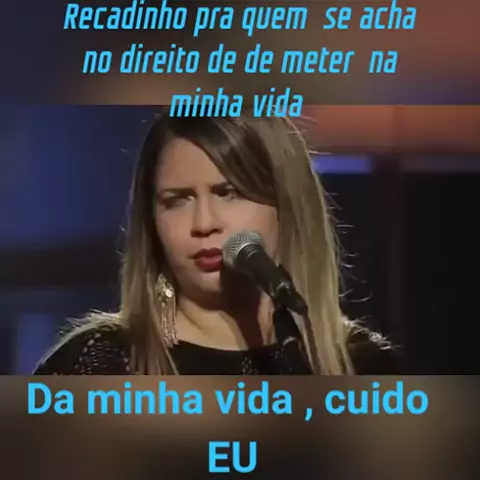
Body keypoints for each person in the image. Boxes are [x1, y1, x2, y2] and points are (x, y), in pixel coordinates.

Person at [34, 111, 400, 375]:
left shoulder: (363, 366)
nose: (204, 223)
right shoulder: (97, 364)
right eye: (178, 200)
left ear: (288, 206)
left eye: (229, 193)